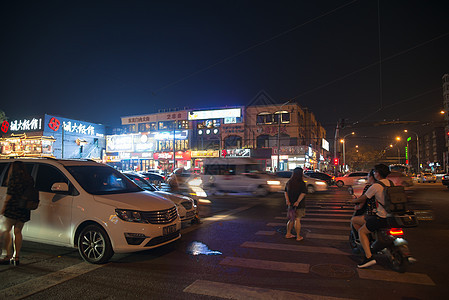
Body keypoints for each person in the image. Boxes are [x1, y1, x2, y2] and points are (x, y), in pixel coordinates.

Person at [349, 164, 391, 268]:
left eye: (375, 172)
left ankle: (368, 257)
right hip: (391, 217)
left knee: (361, 231)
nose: (374, 173)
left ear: (378, 173)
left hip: (381, 217)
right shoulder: (390, 183)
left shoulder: (376, 186)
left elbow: (363, 198)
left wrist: (352, 201)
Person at [0, 161, 35, 266]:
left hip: (12, 208)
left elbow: (9, 195)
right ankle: (16, 257)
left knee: (6, 231)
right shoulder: (29, 179)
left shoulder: (14, 179)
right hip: (24, 208)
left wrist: (3, 208)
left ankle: (7, 255)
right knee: (18, 232)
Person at [350, 169, 377, 236]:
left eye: (368, 175)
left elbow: (362, 200)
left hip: (373, 215)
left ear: (371, 177)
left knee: (354, 220)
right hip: (385, 214)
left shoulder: (370, 187)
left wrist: (353, 201)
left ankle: (365, 239)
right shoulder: (385, 185)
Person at [284, 167, 307, 241]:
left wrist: (287, 201)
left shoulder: (289, 182)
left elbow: (285, 192)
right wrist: (298, 201)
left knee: (291, 219)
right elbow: (303, 193)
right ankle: (298, 236)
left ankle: (288, 234)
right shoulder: (302, 183)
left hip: (290, 203)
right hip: (299, 204)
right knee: (297, 219)